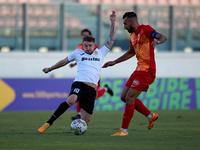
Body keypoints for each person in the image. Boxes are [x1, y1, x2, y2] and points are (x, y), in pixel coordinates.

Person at [38, 11, 116, 134]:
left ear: (94, 45)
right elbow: (64, 61)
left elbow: (111, 39)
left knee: (85, 122)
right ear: (83, 45)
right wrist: (50, 68)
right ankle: (49, 122)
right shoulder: (78, 53)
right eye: (85, 45)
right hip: (79, 84)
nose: (87, 48)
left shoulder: (100, 53)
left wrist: (112, 22)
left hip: (91, 90)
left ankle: (77, 133)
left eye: (90, 45)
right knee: (70, 100)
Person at [102, 11, 167, 136]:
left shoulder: (146, 30)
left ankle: (124, 131)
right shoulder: (132, 36)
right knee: (124, 97)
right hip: (138, 70)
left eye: (125, 24)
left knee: (130, 98)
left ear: (133, 22)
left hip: (147, 71)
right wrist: (115, 62)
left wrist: (157, 42)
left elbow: (163, 37)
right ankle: (150, 116)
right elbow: (131, 53)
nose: (124, 26)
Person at [70, 28, 114, 120]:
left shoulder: (95, 47)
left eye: (86, 34)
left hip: (93, 76)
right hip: (82, 76)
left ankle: (105, 88)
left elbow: (93, 58)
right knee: (79, 94)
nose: (84, 36)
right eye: (83, 35)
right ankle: (79, 114)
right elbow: (81, 57)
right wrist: (74, 63)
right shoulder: (79, 46)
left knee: (94, 96)